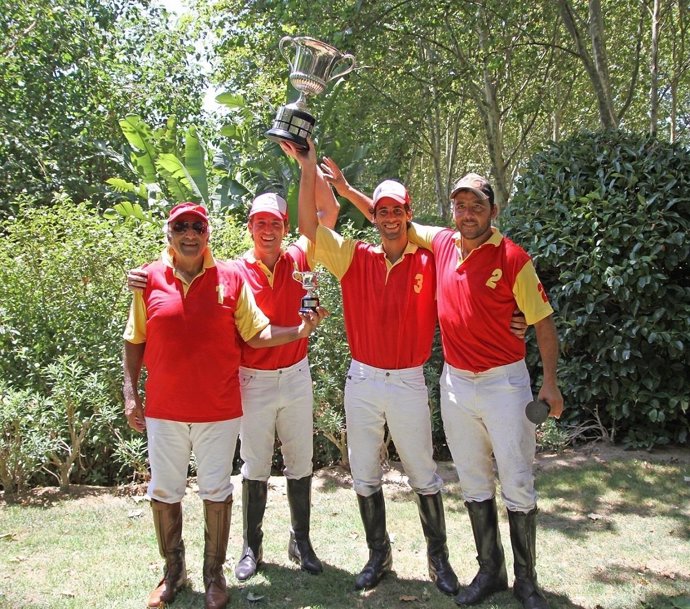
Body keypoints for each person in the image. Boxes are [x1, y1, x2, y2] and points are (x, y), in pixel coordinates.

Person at [128, 187, 338, 584]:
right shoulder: (234, 270)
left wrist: (308, 162)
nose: (268, 230)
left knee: (300, 461)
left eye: (275, 223)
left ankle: (301, 542)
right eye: (260, 223)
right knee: (254, 465)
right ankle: (250, 548)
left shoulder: (299, 257)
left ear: (285, 227)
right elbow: (170, 293)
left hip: (294, 374)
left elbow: (327, 212)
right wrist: (142, 275)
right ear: (249, 227)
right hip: (252, 381)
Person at [283, 138, 462, 596]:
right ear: (376, 216)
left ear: (408, 213)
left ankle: (437, 558)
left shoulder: (430, 259)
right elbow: (308, 226)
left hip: (406, 380)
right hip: (362, 378)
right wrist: (309, 169)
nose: (387, 218)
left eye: (395, 211)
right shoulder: (354, 257)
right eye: (381, 211)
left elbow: (471, 287)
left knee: (422, 471)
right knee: (364, 471)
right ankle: (378, 554)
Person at [405, 174, 564, 609]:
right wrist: (343, 190)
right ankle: (490, 570)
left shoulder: (514, 259)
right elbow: (392, 219)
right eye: (460, 205)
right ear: (451, 210)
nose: (467, 213)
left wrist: (549, 382)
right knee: (473, 480)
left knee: (516, 478)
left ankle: (526, 582)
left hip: (504, 384)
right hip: (456, 383)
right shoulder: (440, 244)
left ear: (493, 211)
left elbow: (543, 323)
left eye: (476, 205)